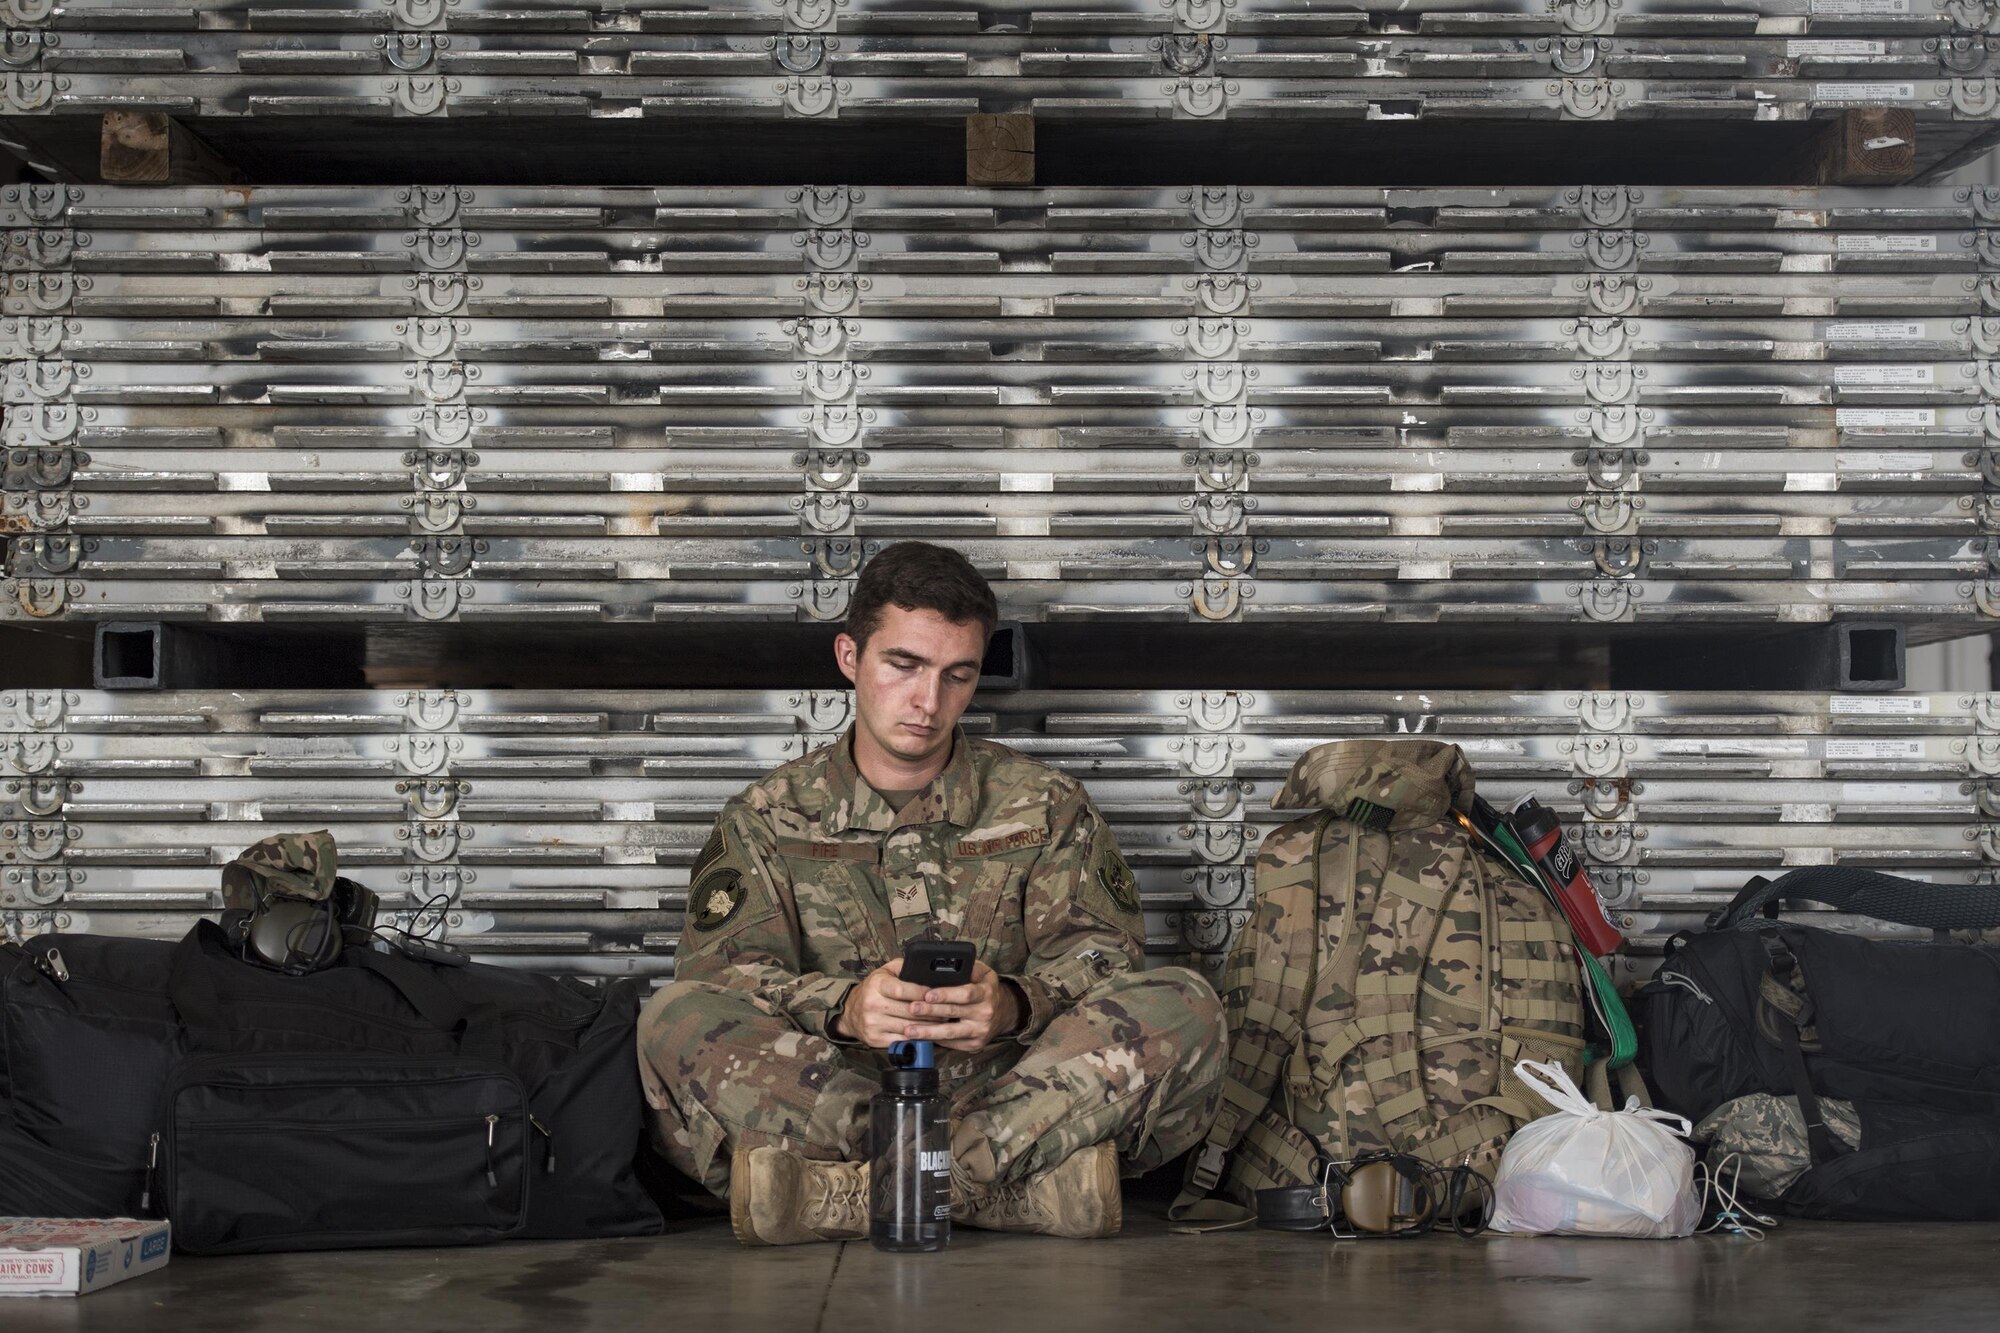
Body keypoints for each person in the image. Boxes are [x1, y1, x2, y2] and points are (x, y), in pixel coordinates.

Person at [637, 541, 1226, 1245]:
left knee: (1186, 1003)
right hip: (835, 1095)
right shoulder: (768, 815)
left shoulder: (1045, 804)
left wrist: (1012, 1002)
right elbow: (721, 977)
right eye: (904, 665)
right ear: (850, 657)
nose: (928, 701)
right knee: (673, 1017)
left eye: (957, 675)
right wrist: (844, 1010)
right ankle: (1004, 1192)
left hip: (1018, 1098)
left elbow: (1108, 960)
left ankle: (865, 1193)